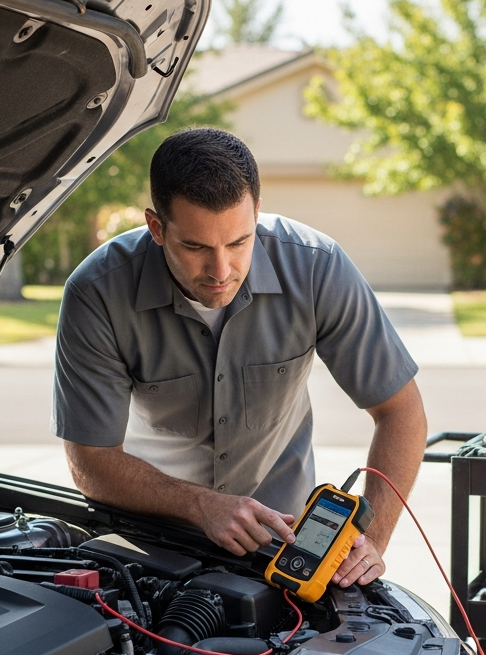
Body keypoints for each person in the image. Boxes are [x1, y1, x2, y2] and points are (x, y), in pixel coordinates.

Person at [53, 128, 426, 588]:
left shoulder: (317, 267)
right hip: (149, 544)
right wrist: (199, 504)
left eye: (238, 242)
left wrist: (375, 540)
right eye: (195, 247)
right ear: (156, 227)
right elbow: (90, 459)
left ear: (257, 215)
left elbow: (400, 411)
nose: (221, 270)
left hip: (283, 549)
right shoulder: (97, 292)